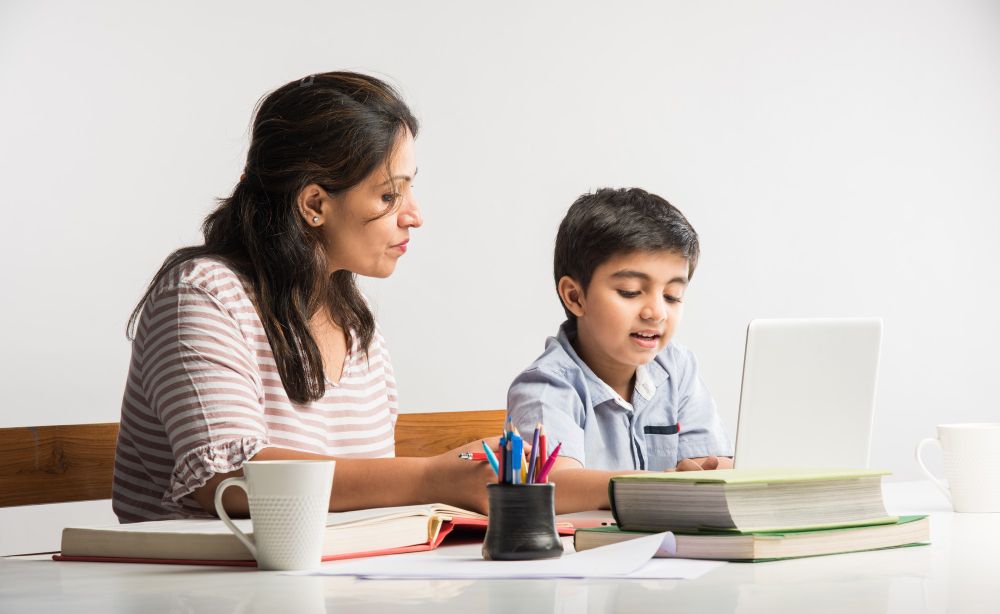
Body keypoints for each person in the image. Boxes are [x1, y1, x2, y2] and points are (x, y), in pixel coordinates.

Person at [112, 71, 493, 522]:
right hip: (200, 588)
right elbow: (228, 481)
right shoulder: (201, 297)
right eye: (390, 194)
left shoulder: (355, 319)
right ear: (313, 205)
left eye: (410, 188)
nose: (415, 216)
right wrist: (432, 478)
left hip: (324, 583)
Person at [507, 187, 733, 512]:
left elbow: (712, 464)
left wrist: (706, 474)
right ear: (575, 297)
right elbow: (555, 486)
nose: (656, 312)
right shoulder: (546, 387)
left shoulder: (677, 368)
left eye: (672, 295)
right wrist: (660, 487)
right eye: (630, 292)